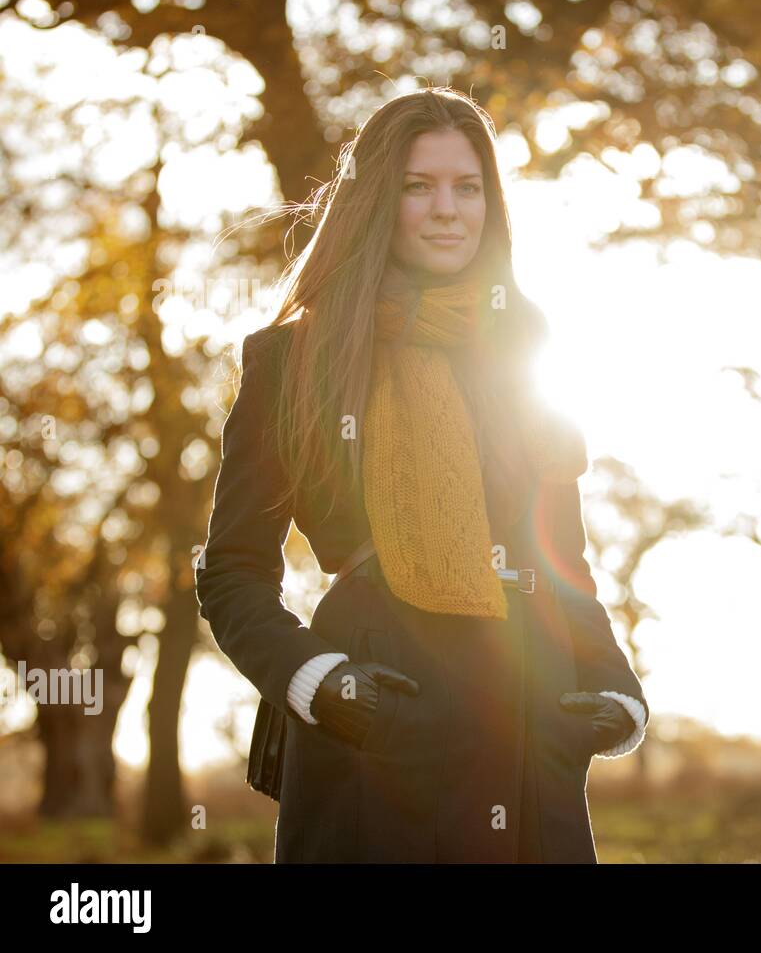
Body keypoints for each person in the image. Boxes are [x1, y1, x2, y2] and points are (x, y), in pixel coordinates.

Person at [194, 86, 648, 863]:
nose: (449, 209)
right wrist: (318, 680)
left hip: (523, 720)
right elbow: (232, 572)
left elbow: (561, 558)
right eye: (419, 186)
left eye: (468, 187)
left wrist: (613, 691)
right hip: (375, 715)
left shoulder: (524, 344)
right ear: (378, 199)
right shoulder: (292, 361)